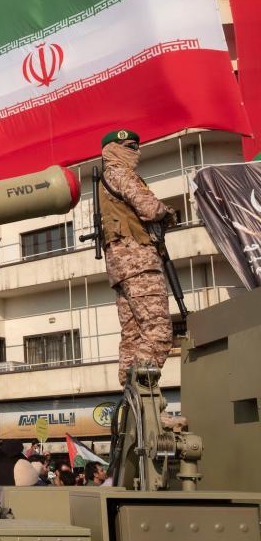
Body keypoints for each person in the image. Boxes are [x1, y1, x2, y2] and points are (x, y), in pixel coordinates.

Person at [98, 130, 176, 386]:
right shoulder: (122, 174)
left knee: (132, 336)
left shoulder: (104, 180)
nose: (136, 151)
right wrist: (168, 212)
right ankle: (144, 397)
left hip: (121, 267)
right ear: (114, 149)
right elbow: (150, 208)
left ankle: (133, 404)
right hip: (138, 261)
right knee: (158, 331)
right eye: (131, 146)